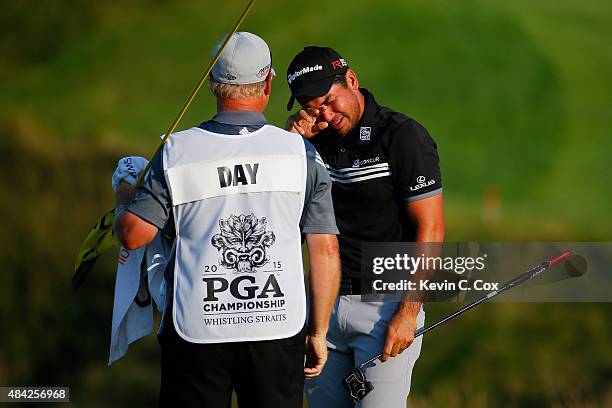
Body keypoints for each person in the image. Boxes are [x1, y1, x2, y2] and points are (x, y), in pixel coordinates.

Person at [113, 33, 341, 408]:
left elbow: (134, 236)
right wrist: (318, 332)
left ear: (212, 84)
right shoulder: (301, 153)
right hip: (278, 328)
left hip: (196, 328)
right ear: (268, 84)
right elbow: (326, 249)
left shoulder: (175, 150)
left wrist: (124, 203)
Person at [286, 46, 445, 407]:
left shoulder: (402, 136)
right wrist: (288, 143)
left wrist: (408, 312)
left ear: (352, 81)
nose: (325, 113)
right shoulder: (309, 142)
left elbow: (432, 229)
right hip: (321, 309)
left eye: (329, 100)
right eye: (312, 108)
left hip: (384, 308)